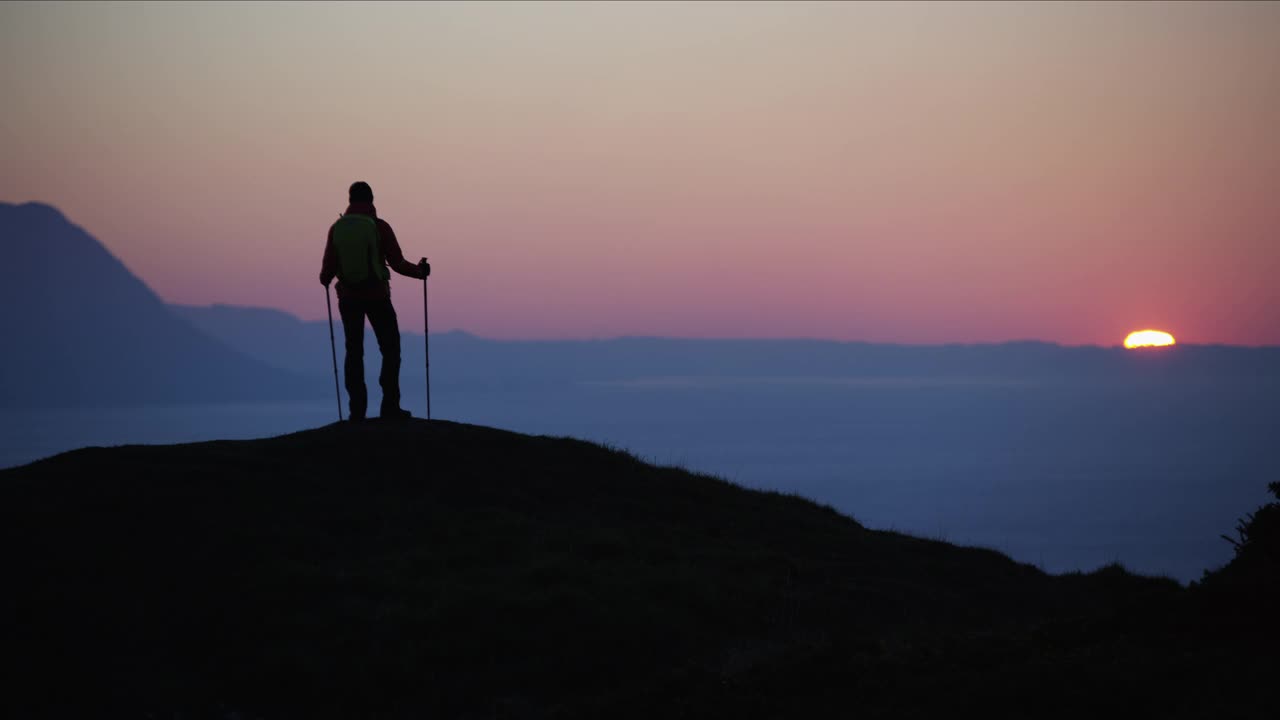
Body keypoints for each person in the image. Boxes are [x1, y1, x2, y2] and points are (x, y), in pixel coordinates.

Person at [320, 181, 429, 421]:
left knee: (354, 351)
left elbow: (326, 272)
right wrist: (421, 272)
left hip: (347, 297)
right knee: (390, 349)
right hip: (377, 295)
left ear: (349, 200)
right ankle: (390, 406)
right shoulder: (379, 227)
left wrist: (327, 278)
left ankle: (356, 411)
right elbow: (398, 263)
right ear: (371, 199)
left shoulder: (337, 228)